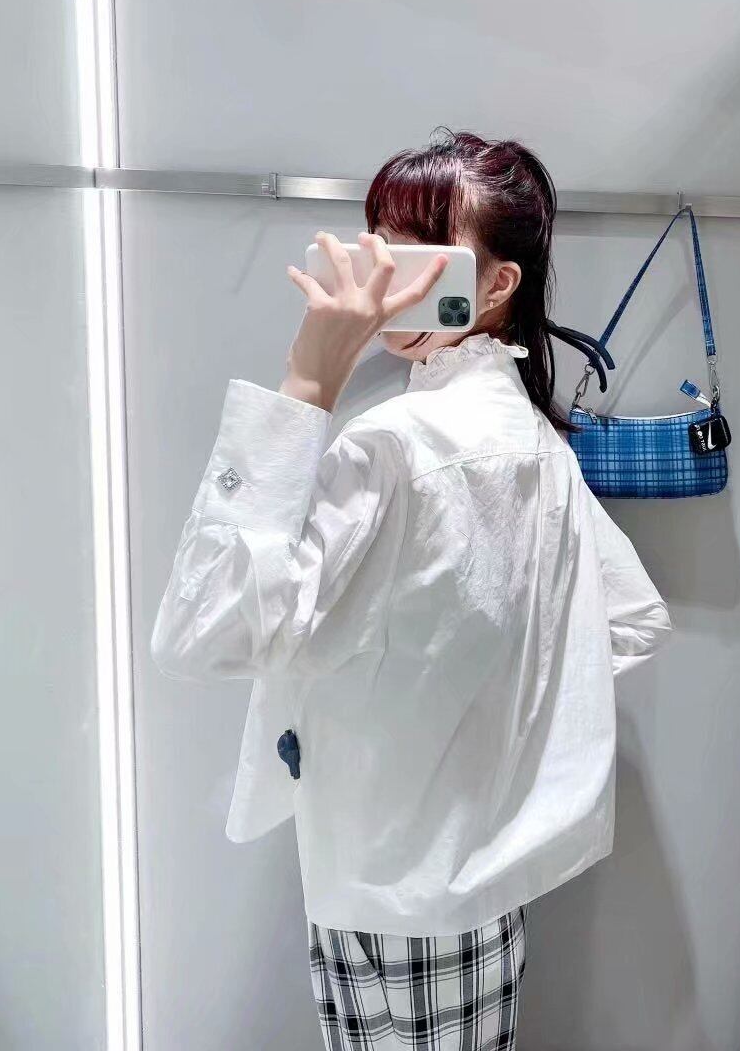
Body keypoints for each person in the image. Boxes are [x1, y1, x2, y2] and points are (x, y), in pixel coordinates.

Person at [150, 128, 673, 1051]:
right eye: (383, 243)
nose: (389, 273)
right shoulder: (529, 440)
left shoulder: (394, 444)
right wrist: (492, 738)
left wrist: (308, 379)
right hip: (464, 870)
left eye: (423, 248)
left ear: (495, 285)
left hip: (389, 864)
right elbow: (630, 620)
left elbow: (203, 633)